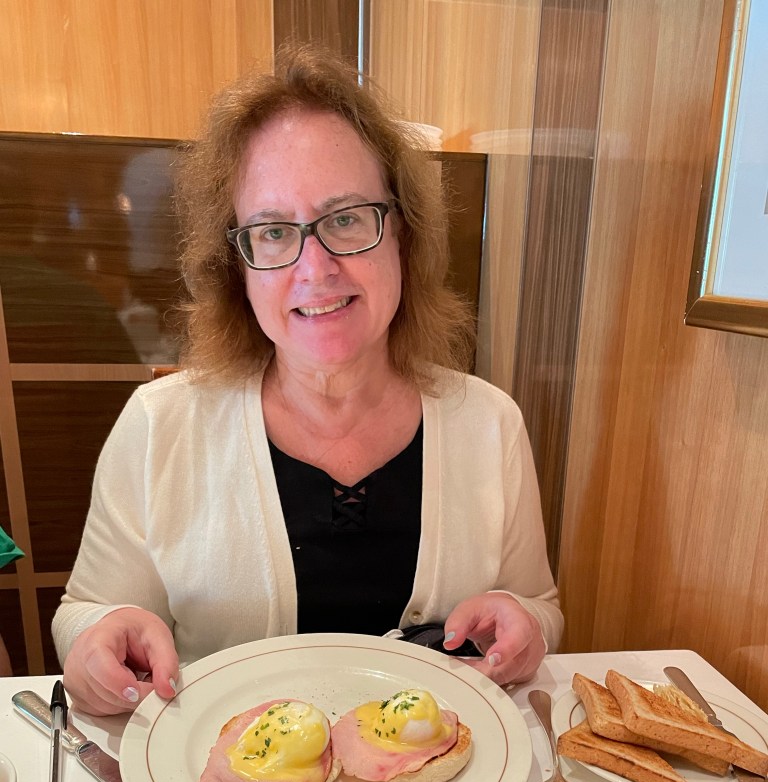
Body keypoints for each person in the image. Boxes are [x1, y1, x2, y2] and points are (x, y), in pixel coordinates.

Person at [52, 44, 563, 716]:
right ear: (237, 264)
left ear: (403, 235)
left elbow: (539, 607)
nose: (314, 267)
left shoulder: (489, 423)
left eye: (347, 218)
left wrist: (524, 622)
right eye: (272, 232)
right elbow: (84, 611)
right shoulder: (158, 426)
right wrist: (92, 644)